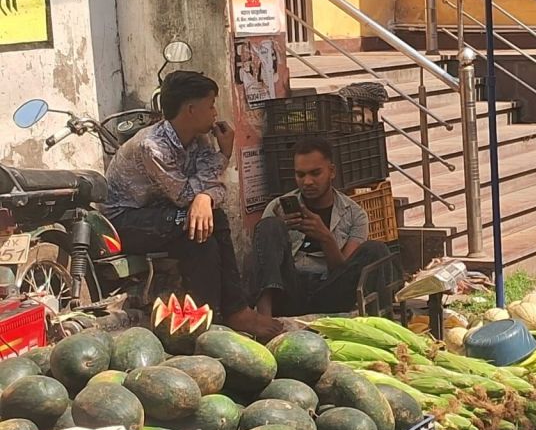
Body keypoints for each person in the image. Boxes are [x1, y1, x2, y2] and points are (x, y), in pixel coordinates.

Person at [104, 70, 280, 340]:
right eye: (210, 106)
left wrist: (205, 196)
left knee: (203, 232)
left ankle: (212, 318)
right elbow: (187, 195)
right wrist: (223, 158)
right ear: (190, 109)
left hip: (167, 214)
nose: (214, 112)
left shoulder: (199, 139)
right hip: (128, 220)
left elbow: (212, 189)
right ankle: (228, 313)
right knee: (203, 221)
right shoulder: (153, 147)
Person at [252, 137, 394, 317]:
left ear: (331, 171)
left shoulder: (354, 214)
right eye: (300, 175)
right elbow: (264, 265)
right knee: (269, 226)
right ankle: (263, 318)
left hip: (329, 290)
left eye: (315, 173)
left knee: (376, 249)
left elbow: (344, 270)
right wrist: (280, 230)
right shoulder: (277, 208)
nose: (308, 182)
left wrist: (325, 237)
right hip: (290, 290)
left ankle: (381, 322)